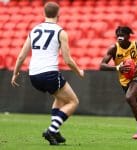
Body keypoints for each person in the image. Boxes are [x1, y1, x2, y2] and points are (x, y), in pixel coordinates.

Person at [11, 2, 84, 145]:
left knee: (59, 98)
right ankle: (52, 129)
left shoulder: (34, 30)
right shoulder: (60, 32)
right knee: (73, 101)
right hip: (49, 73)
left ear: (43, 14)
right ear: (59, 14)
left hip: (33, 75)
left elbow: (21, 56)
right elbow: (68, 60)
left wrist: (15, 73)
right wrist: (79, 72)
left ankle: (55, 133)